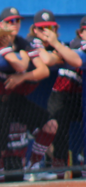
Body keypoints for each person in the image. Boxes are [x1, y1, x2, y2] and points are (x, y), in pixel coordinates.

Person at [0, 7, 53, 183]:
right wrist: (24, 57)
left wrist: (22, 77)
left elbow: (44, 70)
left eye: (17, 21)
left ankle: (32, 168)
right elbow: (20, 65)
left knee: (50, 125)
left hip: (10, 99)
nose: (14, 24)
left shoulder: (21, 42)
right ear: (1, 25)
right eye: (10, 21)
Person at [32, 12, 84, 178]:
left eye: (51, 28)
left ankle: (79, 160)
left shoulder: (61, 44)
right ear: (81, 32)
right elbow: (50, 60)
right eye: (43, 28)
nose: (47, 31)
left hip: (79, 96)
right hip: (60, 95)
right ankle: (55, 171)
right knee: (58, 135)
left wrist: (58, 49)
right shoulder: (75, 43)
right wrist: (57, 51)